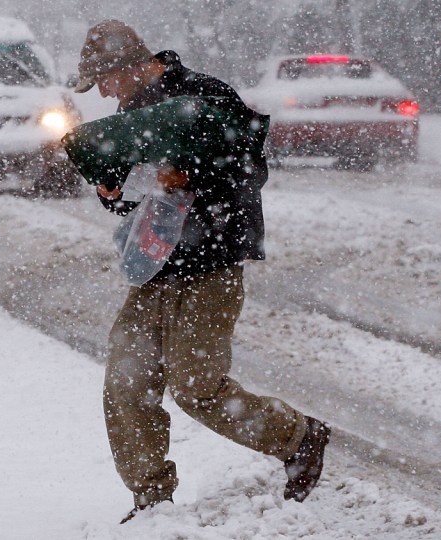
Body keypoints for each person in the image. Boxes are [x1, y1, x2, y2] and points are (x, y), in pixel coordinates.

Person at [72, 20, 332, 523]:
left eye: (103, 79)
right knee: (127, 383)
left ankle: (298, 436)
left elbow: (251, 168)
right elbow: (135, 199)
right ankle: (151, 501)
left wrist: (192, 176)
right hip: (154, 268)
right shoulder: (131, 112)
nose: (102, 92)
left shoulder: (204, 95)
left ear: (129, 66)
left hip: (210, 264)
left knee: (197, 387)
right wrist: (114, 191)